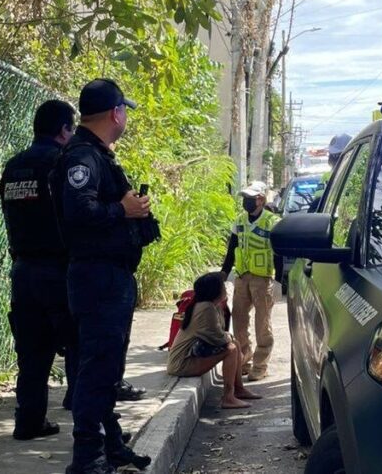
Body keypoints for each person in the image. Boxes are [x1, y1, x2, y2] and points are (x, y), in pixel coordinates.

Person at [56, 78, 154, 474]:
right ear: (116, 113)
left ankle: (110, 444)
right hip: (97, 279)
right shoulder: (83, 158)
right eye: (124, 109)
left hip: (109, 277)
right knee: (96, 370)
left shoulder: (98, 155)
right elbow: (79, 213)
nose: (125, 115)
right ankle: (87, 458)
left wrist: (133, 212)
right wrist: (122, 211)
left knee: (105, 369)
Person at [0, 100, 77, 441]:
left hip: (23, 271)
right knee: (80, 343)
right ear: (64, 130)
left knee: (32, 355)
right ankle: (90, 422)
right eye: (71, 129)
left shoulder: (13, 166)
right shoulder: (62, 163)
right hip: (59, 270)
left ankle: (28, 421)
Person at [167, 272, 260, 408]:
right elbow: (219, 338)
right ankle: (228, 397)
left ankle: (239, 389)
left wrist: (229, 337)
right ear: (214, 290)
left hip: (192, 356)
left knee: (235, 344)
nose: (225, 289)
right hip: (182, 364)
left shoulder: (212, 306)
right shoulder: (206, 308)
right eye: (222, 286)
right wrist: (229, 337)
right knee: (231, 349)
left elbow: (220, 334)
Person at [221, 181, 282, 381]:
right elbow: (232, 249)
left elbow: (279, 253)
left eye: (250, 198)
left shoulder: (272, 222)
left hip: (263, 280)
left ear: (261, 200)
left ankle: (260, 365)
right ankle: (243, 361)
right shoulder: (239, 221)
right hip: (242, 277)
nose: (246, 202)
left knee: (262, 324)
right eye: (244, 198)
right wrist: (224, 272)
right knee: (239, 320)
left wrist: (280, 280)